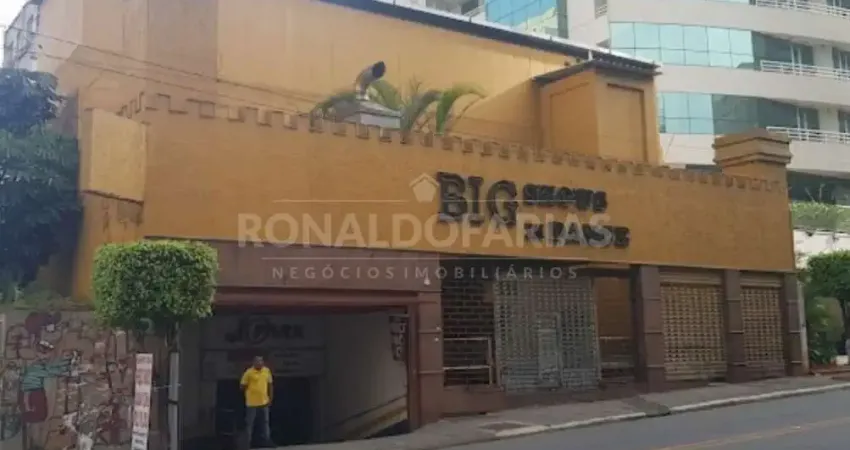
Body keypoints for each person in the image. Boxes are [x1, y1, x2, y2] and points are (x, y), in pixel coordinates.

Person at [240, 356, 274, 448]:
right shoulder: (248, 372)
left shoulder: (266, 371)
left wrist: (270, 398)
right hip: (252, 403)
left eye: (261, 362)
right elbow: (242, 386)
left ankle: (267, 442)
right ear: (253, 363)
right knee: (250, 424)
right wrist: (251, 391)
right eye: (257, 362)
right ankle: (247, 444)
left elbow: (270, 384)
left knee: (265, 423)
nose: (259, 363)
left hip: (264, 402)